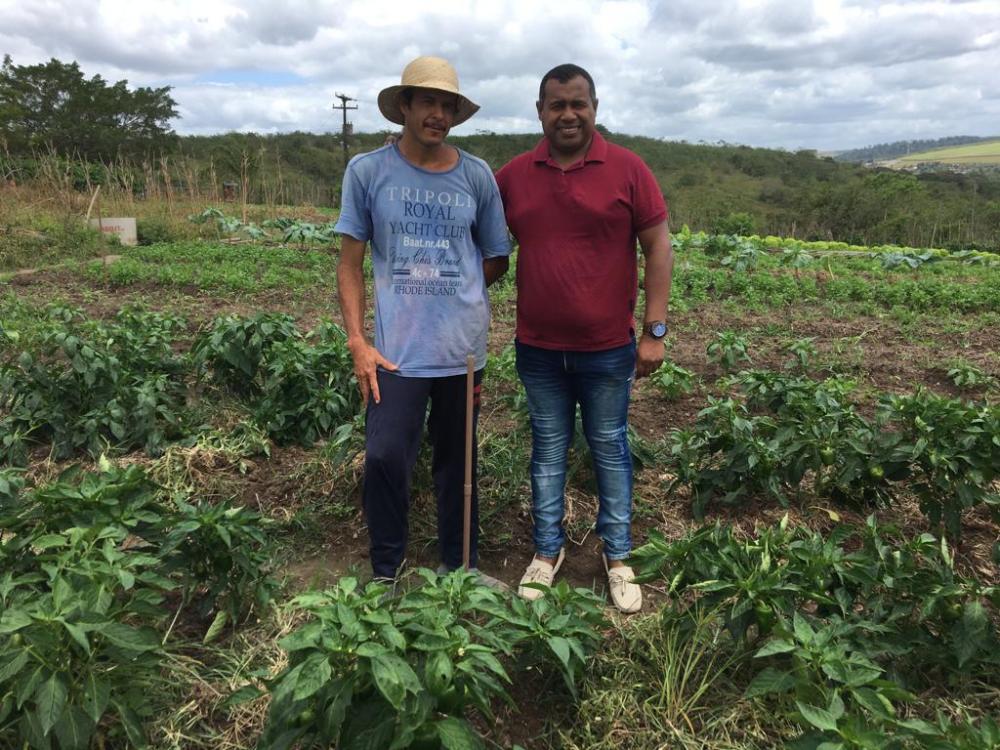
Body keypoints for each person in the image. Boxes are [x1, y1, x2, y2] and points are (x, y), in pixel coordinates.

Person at [495, 63, 674, 613]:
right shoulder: (513, 176)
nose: (568, 114)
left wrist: (655, 330)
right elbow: (490, 254)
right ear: (540, 111)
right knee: (548, 451)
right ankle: (546, 554)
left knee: (610, 447)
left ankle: (617, 557)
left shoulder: (627, 168)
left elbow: (659, 247)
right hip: (540, 348)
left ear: (594, 107)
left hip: (608, 347)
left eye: (579, 104)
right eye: (557, 105)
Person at [335, 56, 511, 584]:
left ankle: (461, 569)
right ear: (405, 107)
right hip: (395, 353)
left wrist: (456, 284)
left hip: (461, 351)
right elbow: (349, 263)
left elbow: (498, 255)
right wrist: (357, 342)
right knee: (386, 456)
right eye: (428, 102)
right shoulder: (368, 172)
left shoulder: (476, 175)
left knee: (458, 466)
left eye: (447, 105)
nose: (438, 114)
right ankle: (387, 571)